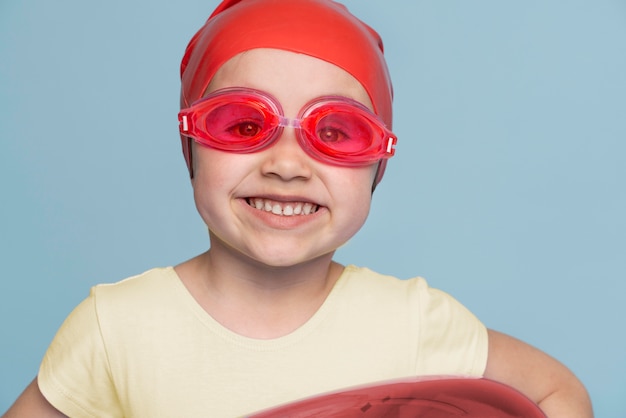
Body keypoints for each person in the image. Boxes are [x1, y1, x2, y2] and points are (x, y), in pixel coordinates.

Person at [3, 0, 593, 417]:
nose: (286, 163)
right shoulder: (117, 328)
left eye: (335, 132)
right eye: (242, 124)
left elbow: (557, 393)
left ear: (377, 166)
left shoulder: (412, 322)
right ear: (190, 145)